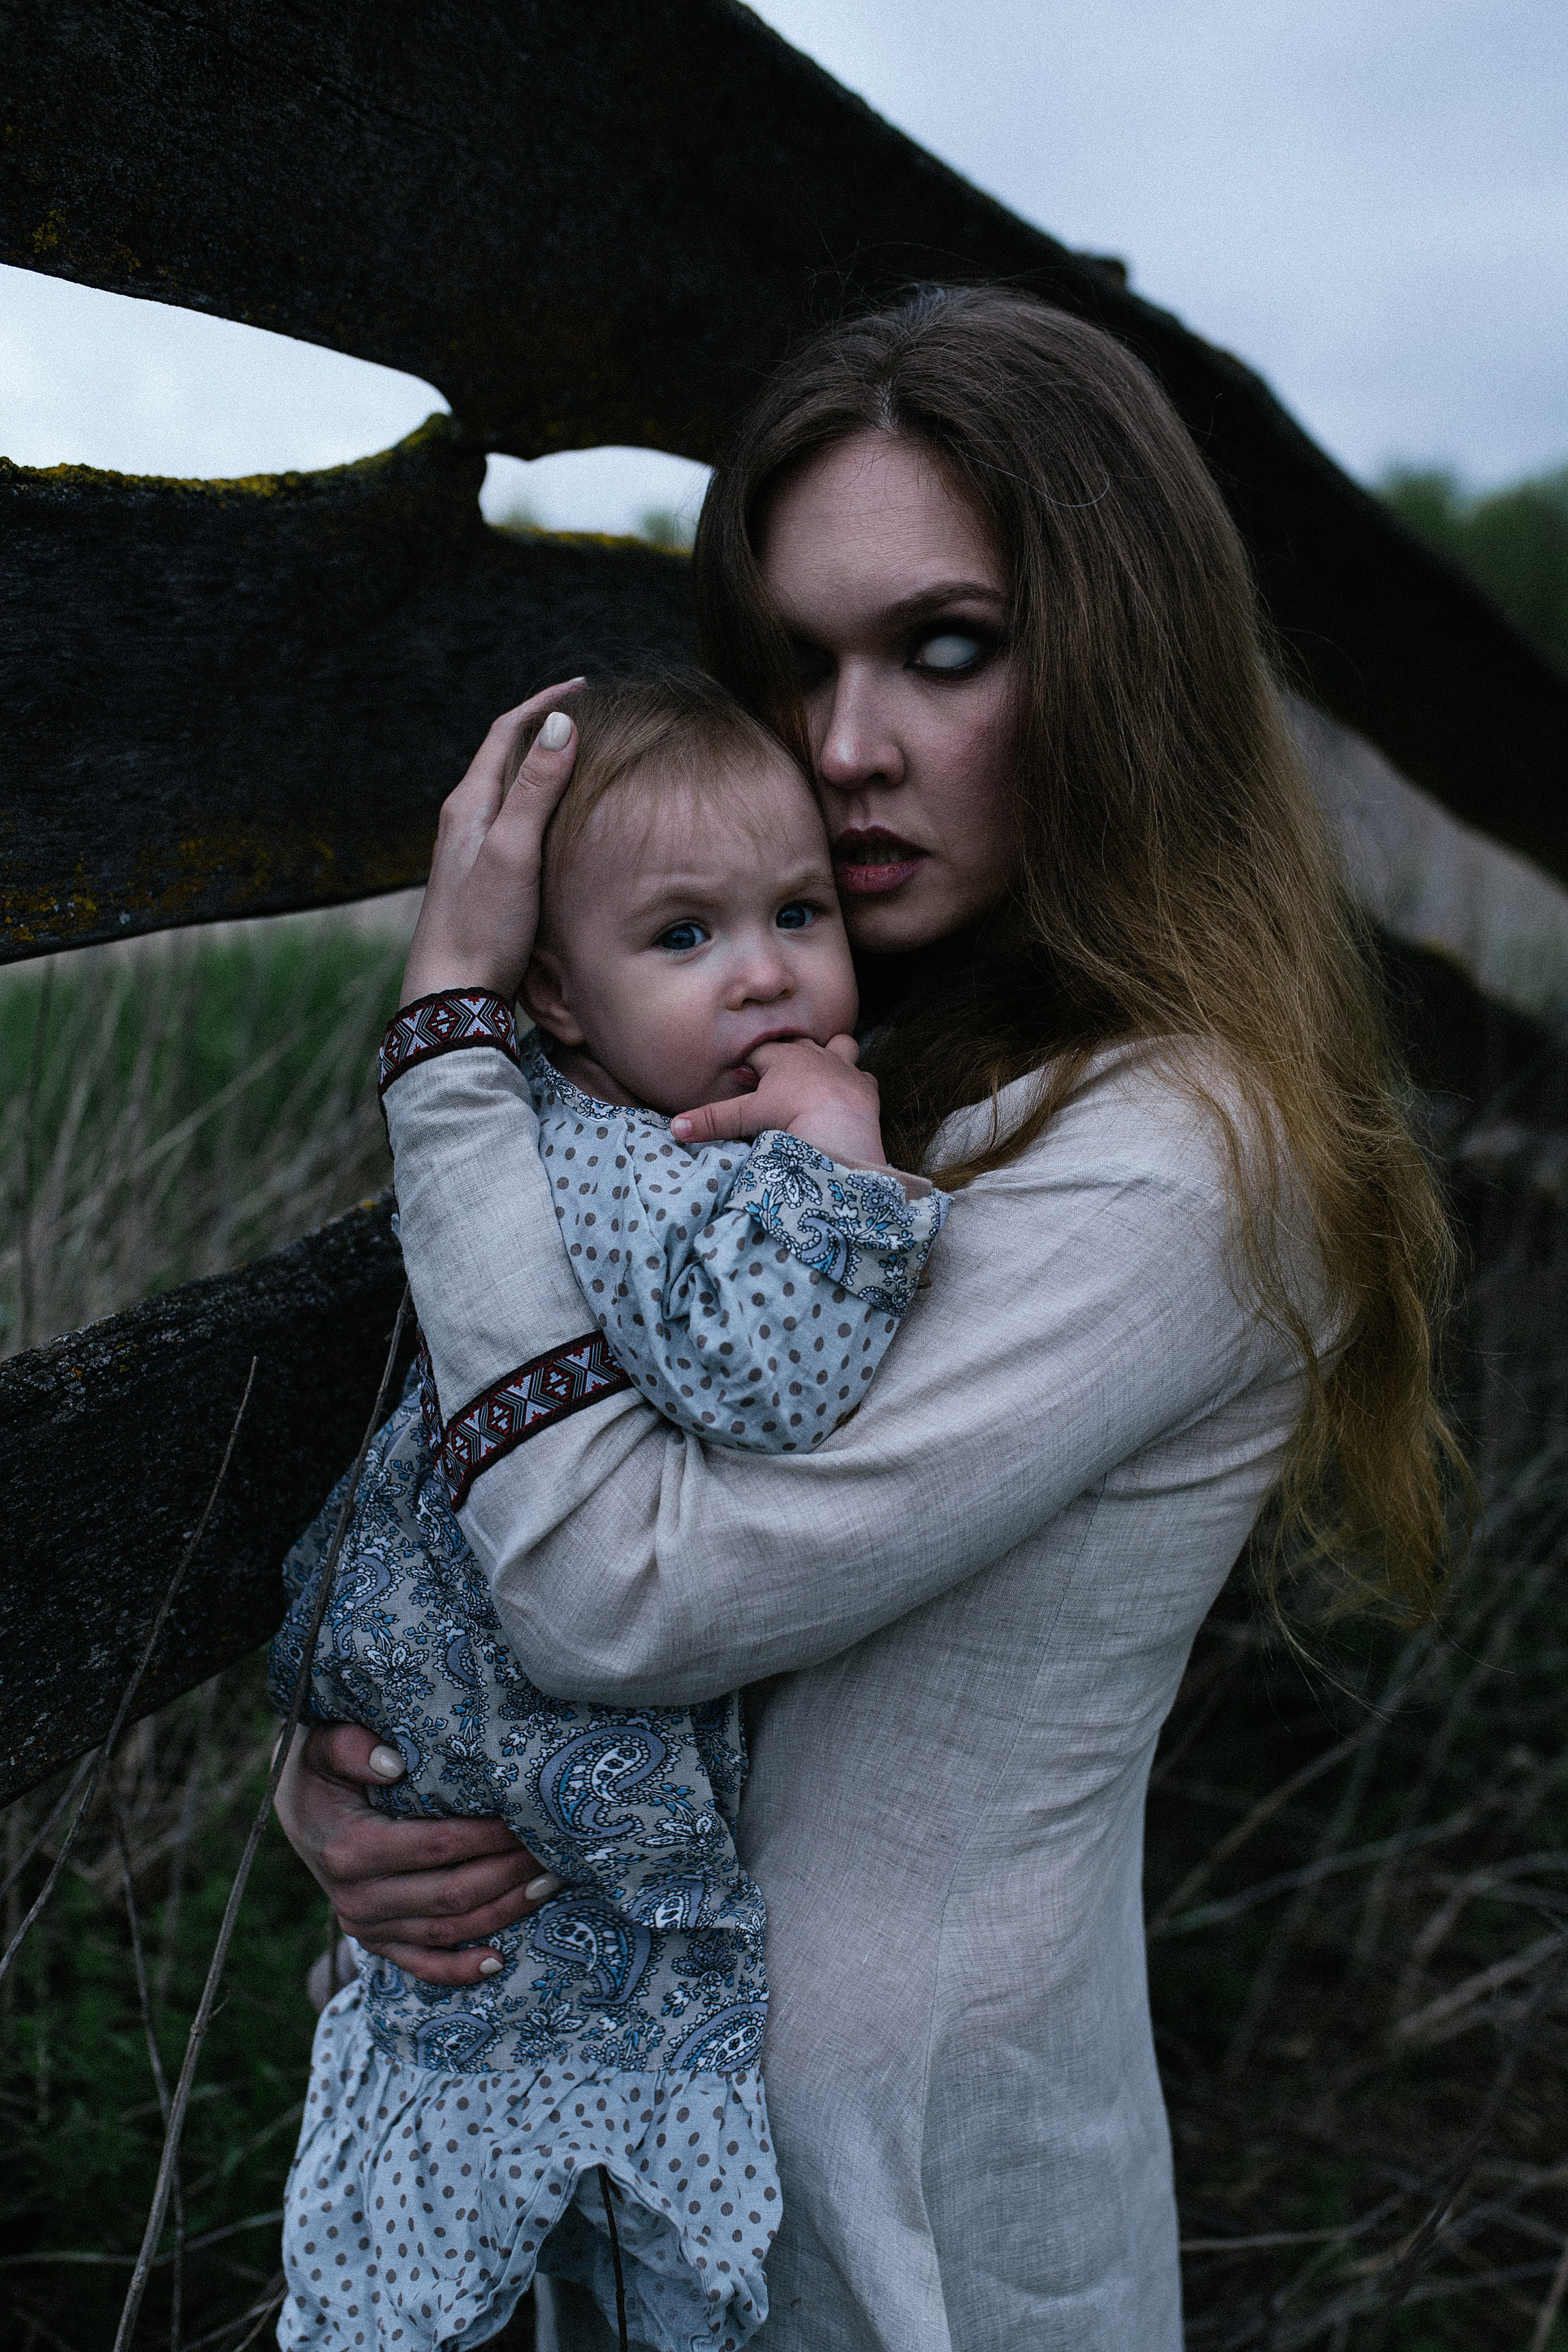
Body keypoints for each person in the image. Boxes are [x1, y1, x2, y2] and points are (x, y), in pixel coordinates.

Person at [276, 286, 1456, 2350]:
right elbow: (482, 1498)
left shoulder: (1189, 1156)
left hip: (896, 2222)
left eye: (945, 648)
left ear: (1117, 662)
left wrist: (455, 1049)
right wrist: (366, 1770)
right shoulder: (819, 1075)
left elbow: (617, 1594)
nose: (845, 750)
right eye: (801, 664)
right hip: (623, 2148)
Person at [270, 675, 947, 2351]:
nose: (767, 971)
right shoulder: (645, 1170)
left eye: (797, 913)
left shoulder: (590, 1134)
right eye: (686, 937)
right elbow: (776, 1381)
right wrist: (850, 1169)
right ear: (559, 1006)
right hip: (546, 1826)